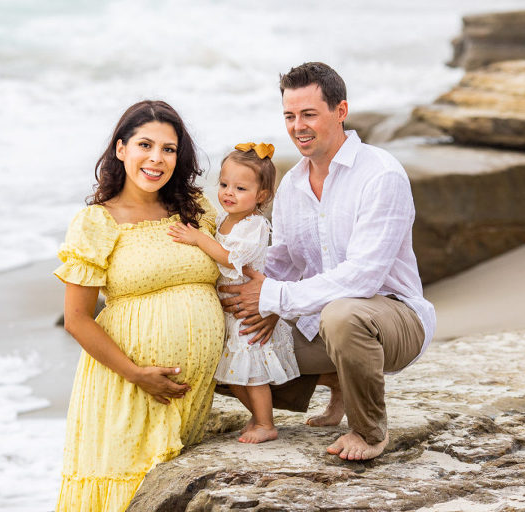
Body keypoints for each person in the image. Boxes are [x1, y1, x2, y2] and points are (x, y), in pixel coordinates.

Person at [219, 62, 436, 461]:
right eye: (289, 115)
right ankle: (339, 379)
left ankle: (369, 431)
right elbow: (282, 261)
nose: (297, 126)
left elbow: (364, 277)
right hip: (320, 317)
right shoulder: (291, 186)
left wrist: (276, 297)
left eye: (308, 114)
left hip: (394, 317)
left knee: (343, 316)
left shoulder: (381, 174)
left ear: (340, 111)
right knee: (229, 345)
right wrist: (259, 306)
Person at [53, 100, 225, 511]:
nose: (156, 158)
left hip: (190, 395)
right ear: (120, 149)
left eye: (168, 149)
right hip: (125, 387)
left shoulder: (197, 211)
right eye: (145, 145)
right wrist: (137, 374)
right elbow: (77, 320)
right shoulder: (97, 221)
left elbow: (232, 276)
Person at [168, 142, 299, 444]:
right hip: (230, 312)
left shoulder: (254, 225)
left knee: (252, 372)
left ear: (261, 197)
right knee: (232, 373)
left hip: (247, 311)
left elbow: (230, 257)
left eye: (240, 188)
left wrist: (198, 238)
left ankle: (266, 423)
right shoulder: (224, 220)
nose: (228, 192)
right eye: (224, 184)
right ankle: (257, 415)